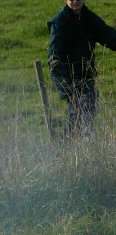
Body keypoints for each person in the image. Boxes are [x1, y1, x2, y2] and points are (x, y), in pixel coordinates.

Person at [47, 0, 116, 137]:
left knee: (88, 111)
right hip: (69, 77)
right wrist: (65, 85)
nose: (75, 1)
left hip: (87, 75)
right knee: (76, 113)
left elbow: (108, 35)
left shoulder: (90, 19)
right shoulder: (59, 22)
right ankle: (74, 144)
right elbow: (55, 53)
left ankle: (80, 144)